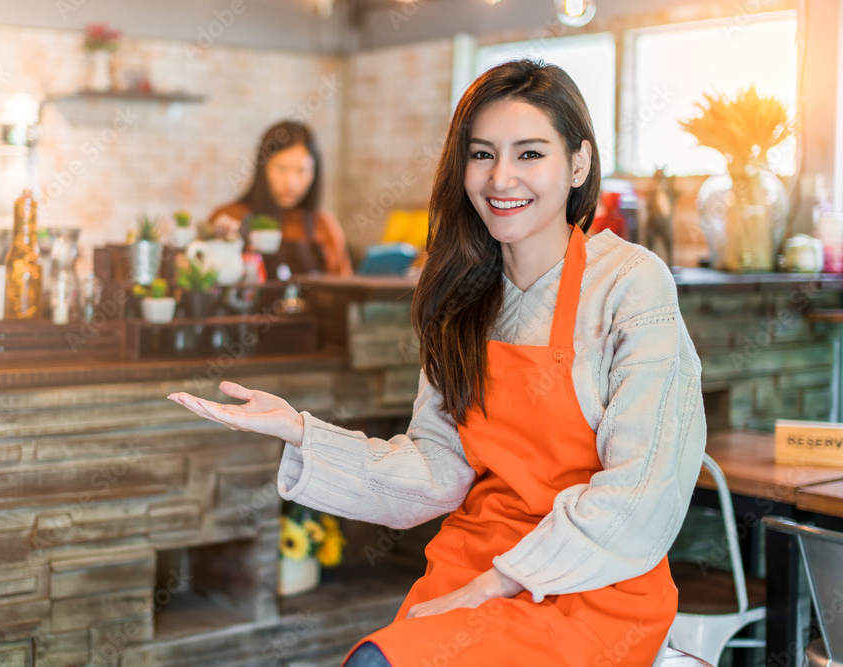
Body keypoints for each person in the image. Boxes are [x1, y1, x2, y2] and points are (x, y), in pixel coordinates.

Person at [170, 59, 706, 667]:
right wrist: (300, 430)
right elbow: (436, 469)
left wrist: (498, 584)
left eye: (530, 154)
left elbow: (643, 492)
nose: (501, 177)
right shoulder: (460, 296)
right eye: (482, 154)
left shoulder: (630, 284)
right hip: (473, 562)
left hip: (593, 581)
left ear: (578, 163)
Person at [207, 120, 353, 279]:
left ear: (315, 171)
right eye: (281, 169)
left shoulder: (324, 226)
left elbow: (344, 290)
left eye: (302, 170)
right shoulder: (229, 217)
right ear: (263, 167)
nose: (291, 183)